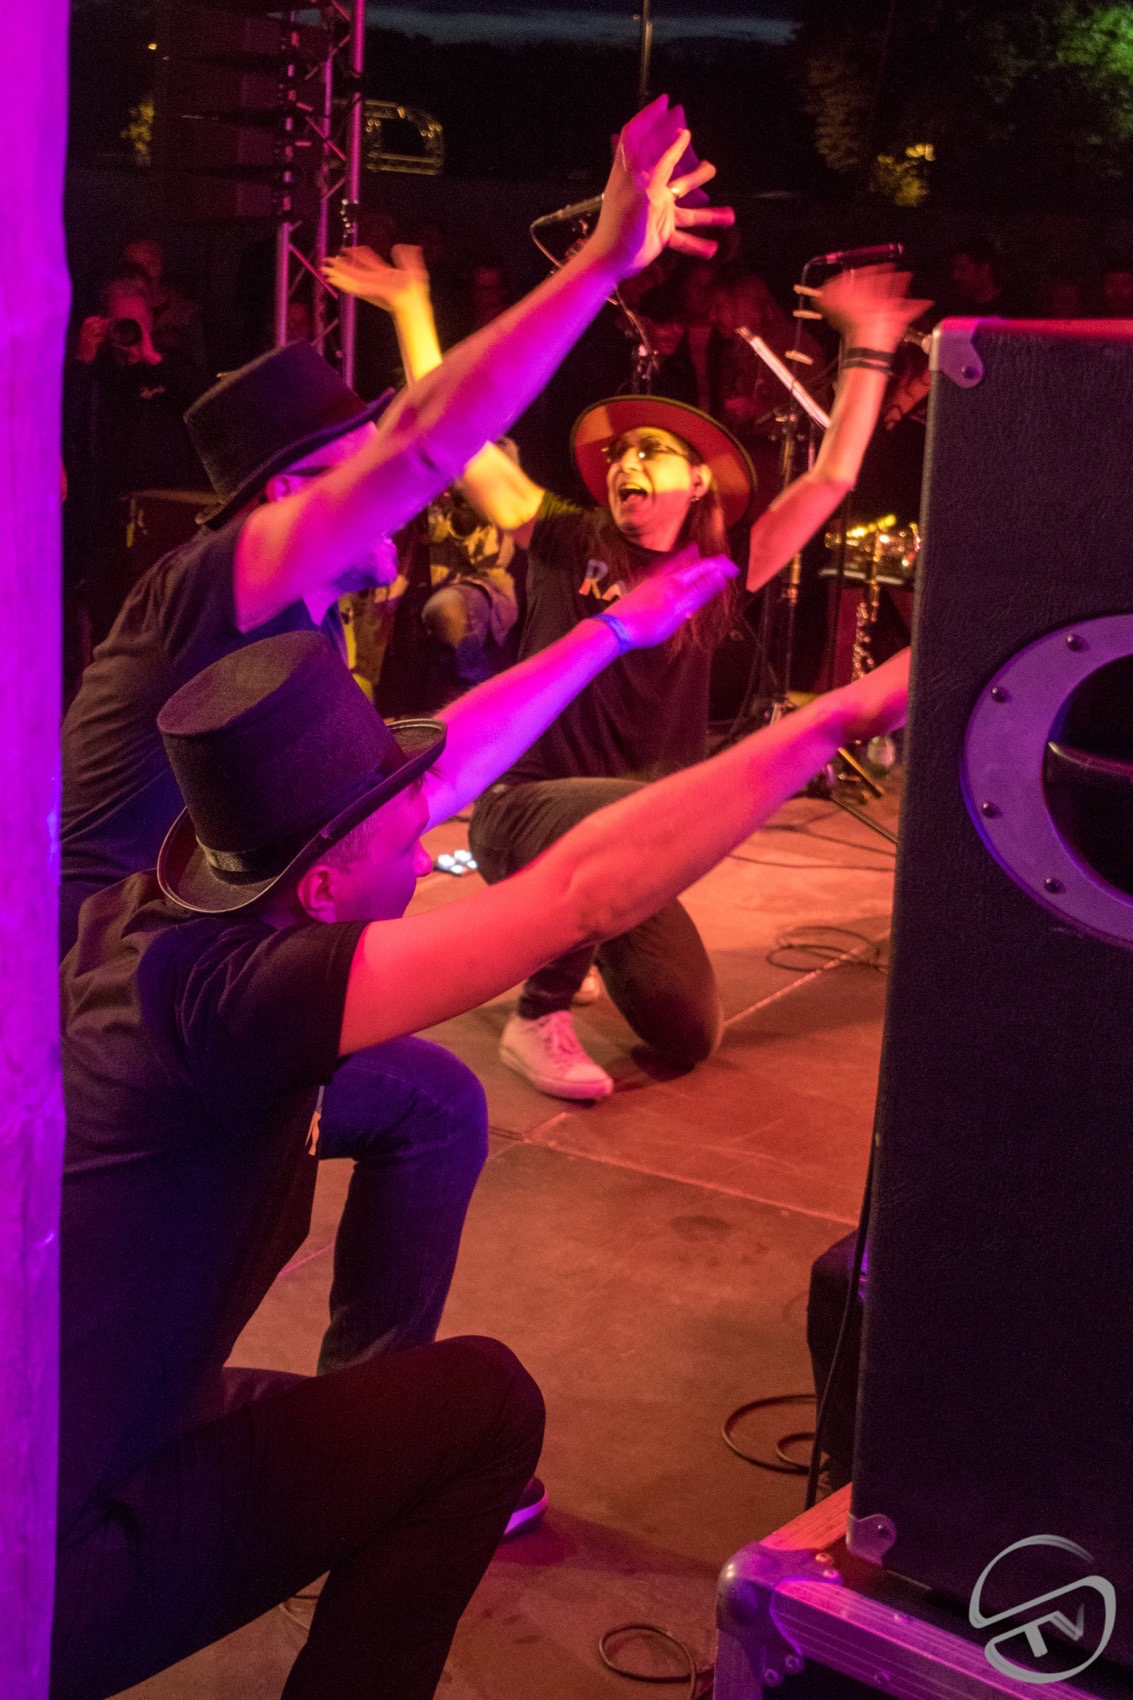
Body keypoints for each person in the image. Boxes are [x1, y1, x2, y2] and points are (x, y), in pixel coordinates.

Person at [57, 625, 909, 1698]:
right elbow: (580, 894)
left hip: (80, 1419)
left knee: (428, 1102)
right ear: (321, 891)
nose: (425, 859)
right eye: (405, 848)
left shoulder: (151, 923)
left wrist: (609, 631)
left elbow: (445, 765)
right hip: (50, 1556)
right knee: (482, 1409)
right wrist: (837, 717)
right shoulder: (239, 999)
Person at [62, 93, 732, 953]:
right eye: (361, 468)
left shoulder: (309, 638)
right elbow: (423, 446)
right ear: (287, 497)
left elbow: (427, 781)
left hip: (186, 967)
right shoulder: (207, 587)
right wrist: (602, 261)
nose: (396, 495)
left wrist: (610, 631)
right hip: (78, 974)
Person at [329, 243, 928, 1097]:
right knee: (624, 809)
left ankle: (578, 939)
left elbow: (832, 477)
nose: (624, 464)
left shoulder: (717, 574)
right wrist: (411, 307)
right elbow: (454, 432)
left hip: (633, 842)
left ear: (698, 483)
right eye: (617, 454)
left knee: (690, 1034)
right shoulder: (562, 536)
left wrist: (868, 343)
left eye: (649, 452)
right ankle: (538, 1013)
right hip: (525, 813)